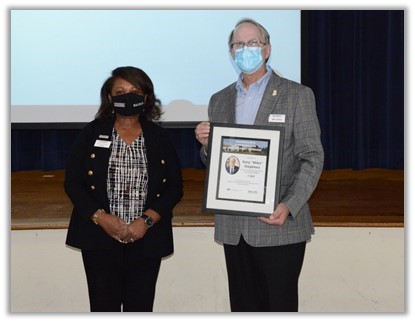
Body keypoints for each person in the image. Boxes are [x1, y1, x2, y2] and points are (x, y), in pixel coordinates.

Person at [195, 19, 324, 312]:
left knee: (279, 308)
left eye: (253, 43)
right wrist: (206, 147)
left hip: (278, 224)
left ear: (267, 50)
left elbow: (312, 157)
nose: (245, 50)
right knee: (242, 309)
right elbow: (219, 163)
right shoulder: (220, 100)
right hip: (233, 228)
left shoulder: (297, 95)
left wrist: (289, 205)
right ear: (231, 52)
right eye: (238, 45)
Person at [64, 66, 183, 312]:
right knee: (102, 307)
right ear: (109, 97)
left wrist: (146, 221)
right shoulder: (91, 133)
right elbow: (73, 182)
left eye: (134, 91)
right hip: (99, 237)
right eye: (120, 91)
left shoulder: (159, 138)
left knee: (140, 308)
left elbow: (175, 187)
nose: (127, 97)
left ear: (146, 97)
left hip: (146, 239)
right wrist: (100, 217)